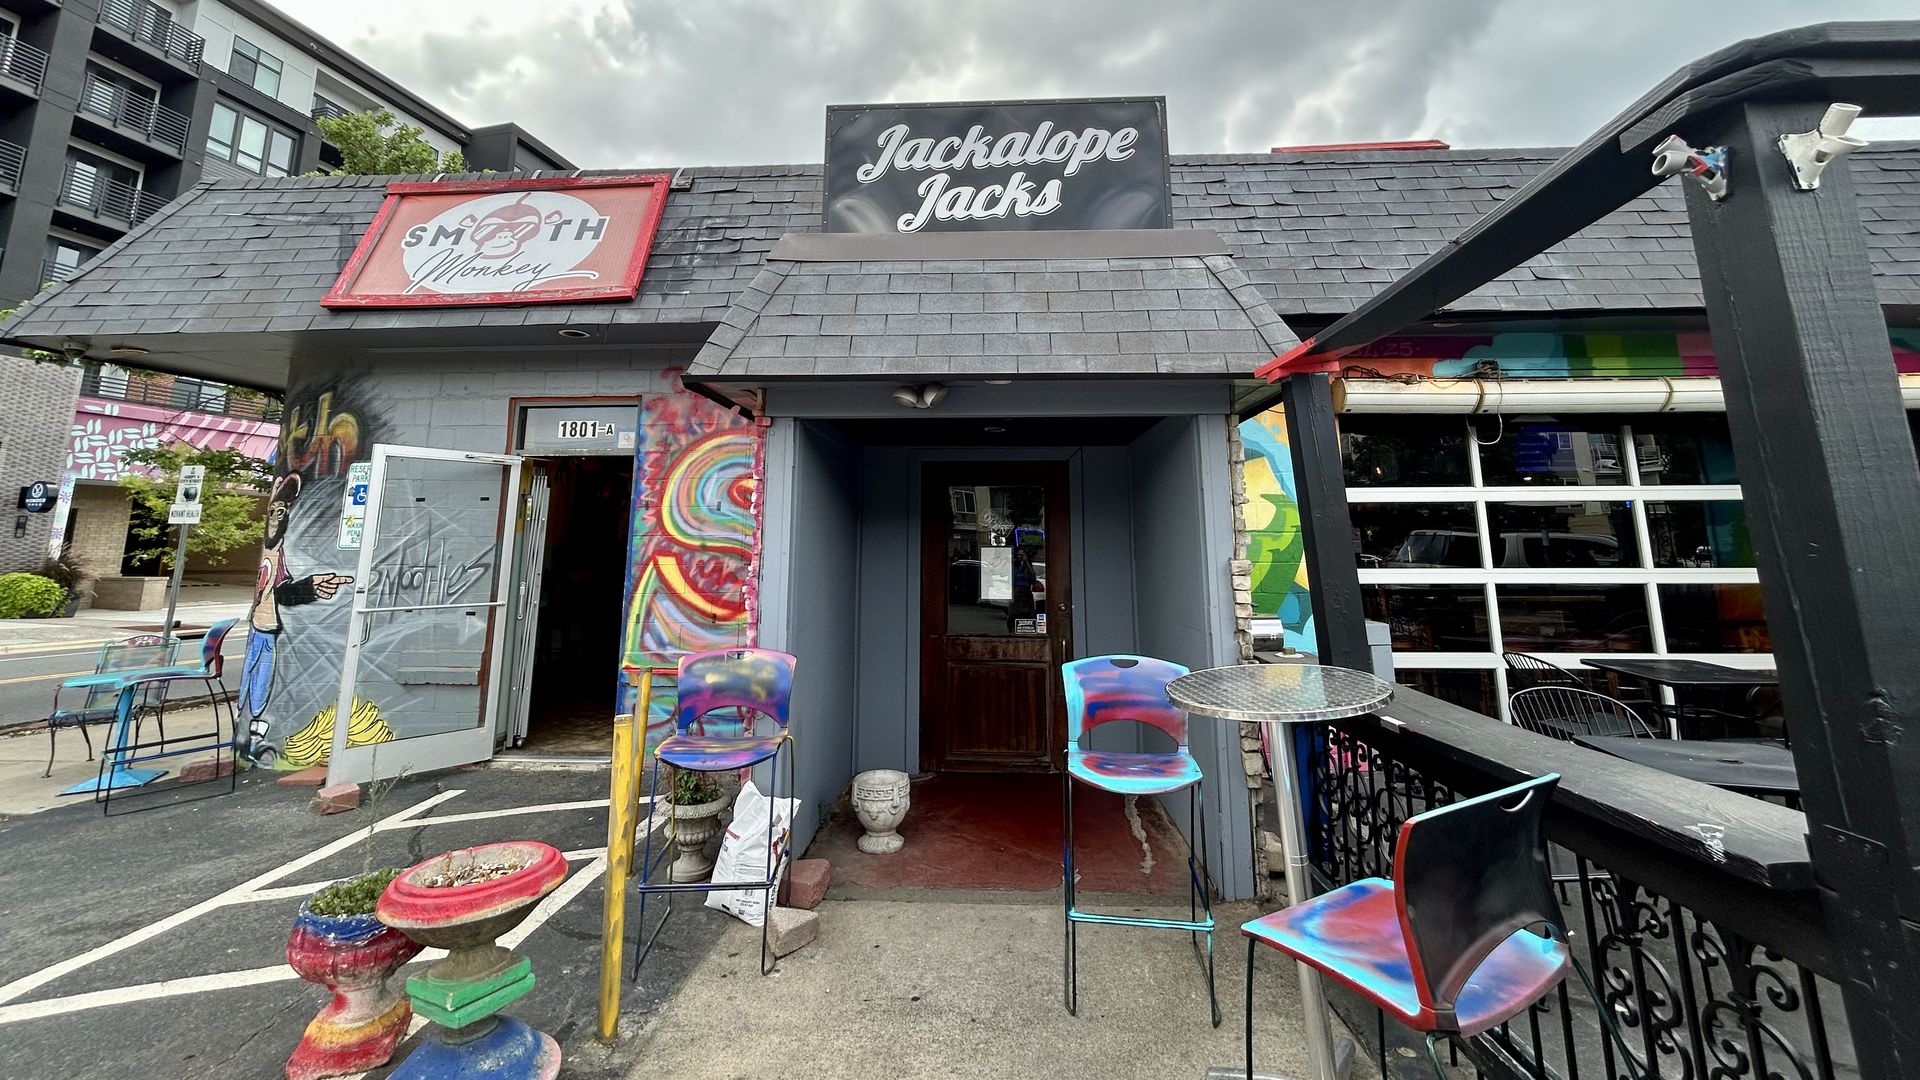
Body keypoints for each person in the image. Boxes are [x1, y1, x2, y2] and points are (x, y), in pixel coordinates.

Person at [238, 472, 353, 763]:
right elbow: (277, 593)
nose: (275, 518)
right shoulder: (271, 551)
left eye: (281, 512)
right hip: (261, 631)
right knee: (254, 689)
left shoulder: (278, 555)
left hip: (268, 632)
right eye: (273, 511)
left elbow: (283, 593)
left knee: (260, 690)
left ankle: (253, 737)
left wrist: (311, 586)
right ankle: (249, 738)